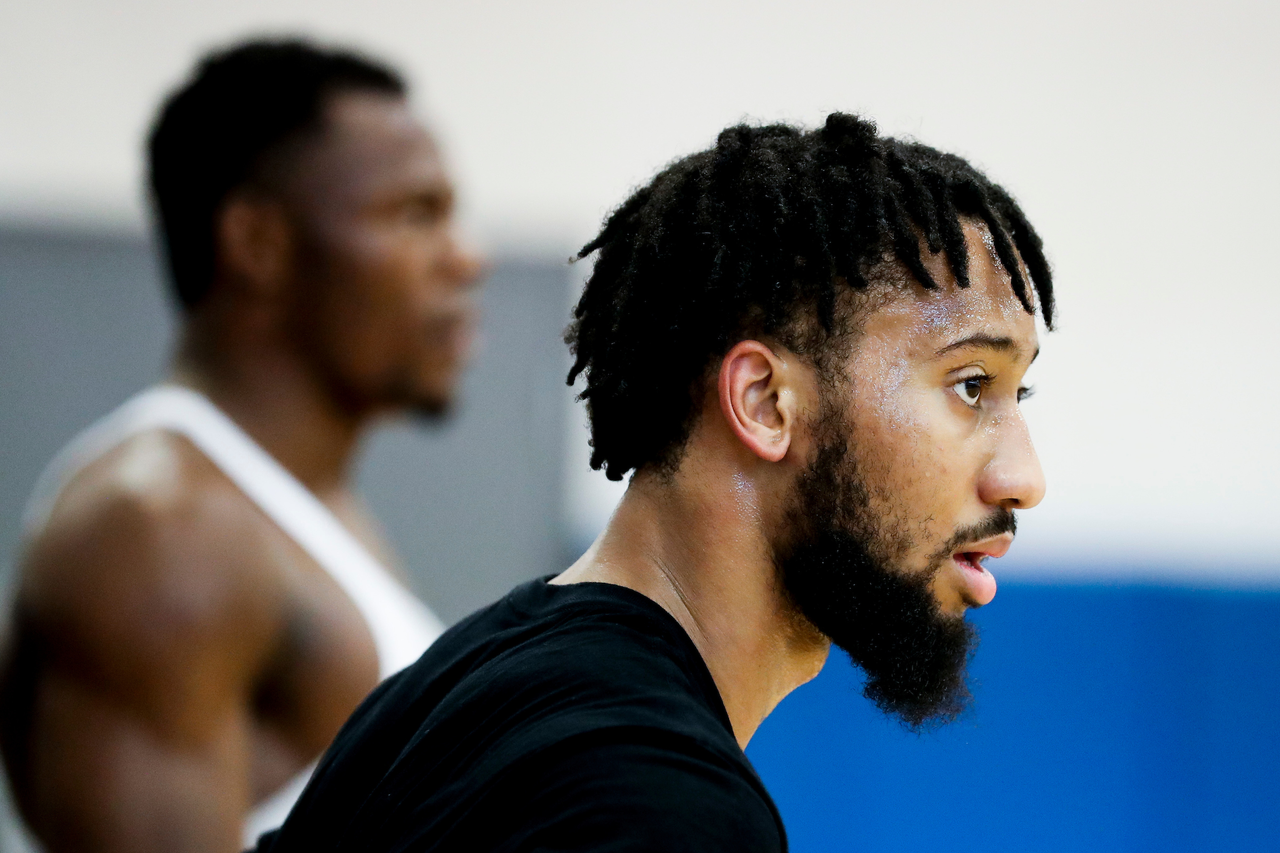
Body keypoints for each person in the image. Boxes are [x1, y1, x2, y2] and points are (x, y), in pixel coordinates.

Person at [253, 113, 1052, 852]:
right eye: (971, 385)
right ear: (765, 403)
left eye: (1020, 396)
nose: (1024, 480)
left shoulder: (447, 687)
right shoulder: (663, 809)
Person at [0, 39, 484, 853]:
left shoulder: (301, 504)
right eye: (413, 214)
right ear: (257, 242)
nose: (467, 258)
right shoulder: (163, 529)